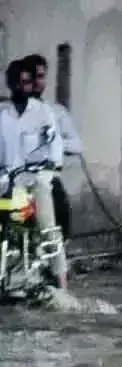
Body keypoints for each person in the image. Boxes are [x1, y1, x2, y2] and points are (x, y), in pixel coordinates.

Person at [1, 59, 68, 289]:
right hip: (10, 180)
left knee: (48, 228)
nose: (23, 87)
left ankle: (62, 282)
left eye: (27, 82)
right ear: (10, 84)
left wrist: (51, 165)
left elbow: (55, 144)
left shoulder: (42, 112)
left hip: (36, 178)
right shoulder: (3, 115)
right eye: (18, 83)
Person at [22, 53, 77, 238]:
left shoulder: (57, 112)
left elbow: (76, 145)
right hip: (15, 179)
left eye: (41, 76)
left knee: (55, 216)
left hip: (45, 177)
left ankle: (56, 261)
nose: (37, 82)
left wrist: (51, 141)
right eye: (32, 76)